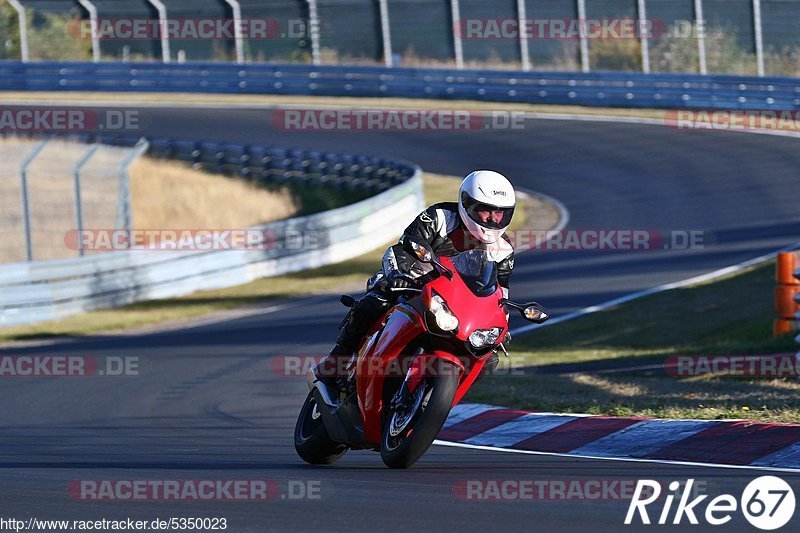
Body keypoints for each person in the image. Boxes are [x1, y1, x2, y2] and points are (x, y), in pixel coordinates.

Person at [316, 170, 517, 389]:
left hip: (456, 303)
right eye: (486, 212)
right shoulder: (439, 216)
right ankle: (337, 360)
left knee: (487, 358)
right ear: (467, 204)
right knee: (376, 301)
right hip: (412, 280)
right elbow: (406, 246)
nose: (493, 219)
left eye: (500, 214)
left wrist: (500, 324)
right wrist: (401, 277)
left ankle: (433, 396)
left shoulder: (504, 250)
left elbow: (500, 293)